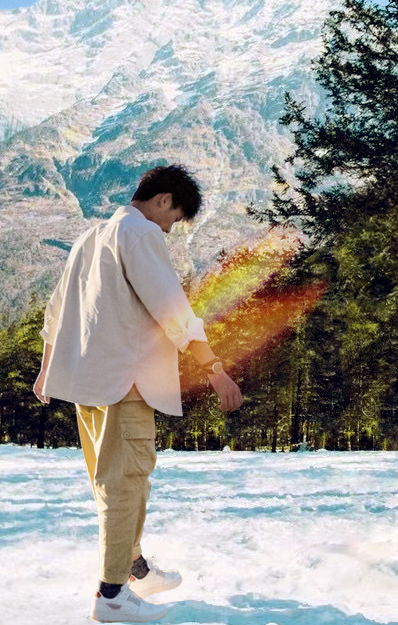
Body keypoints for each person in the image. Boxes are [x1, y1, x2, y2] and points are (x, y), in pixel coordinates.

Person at [34, 164, 243, 623]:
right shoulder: (139, 233)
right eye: (174, 219)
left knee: (116, 482)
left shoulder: (90, 238)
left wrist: (47, 370)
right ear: (163, 200)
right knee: (125, 484)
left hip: (89, 385)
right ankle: (111, 596)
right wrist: (214, 368)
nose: (170, 229)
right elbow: (173, 308)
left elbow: (56, 311)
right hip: (125, 383)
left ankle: (135, 569)